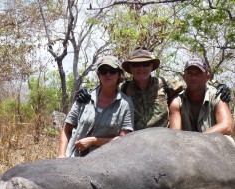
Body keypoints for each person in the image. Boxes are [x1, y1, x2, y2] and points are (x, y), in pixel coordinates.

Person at [77, 47, 231, 130]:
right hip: (133, 143)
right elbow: (105, 86)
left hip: (162, 143)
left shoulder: (165, 84)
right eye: (136, 64)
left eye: (145, 64)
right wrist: (84, 93)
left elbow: (194, 83)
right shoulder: (123, 88)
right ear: (130, 68)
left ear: (152, 66)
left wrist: (219, 86)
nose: (141, 68)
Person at [58, 56, 134, 158]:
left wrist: (94, 141)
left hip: (103, 162)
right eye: (103, 71)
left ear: (119, 74)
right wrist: (61, 155)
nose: (108, 74)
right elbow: (66, 129)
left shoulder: (125, 104)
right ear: (99, 76)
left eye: (112, 71)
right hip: (72, 159)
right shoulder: (84, 98)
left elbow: (123, 139)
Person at [169, 57, 233, 135]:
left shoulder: (217, 97)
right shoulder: (176, 102)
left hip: (213, 144)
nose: (194, 77)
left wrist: (200, 139)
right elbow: (175, 134)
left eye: (198, 73)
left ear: (207, 77)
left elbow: (227, 127)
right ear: (184, 77)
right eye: (190, 73)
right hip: (186, 144)